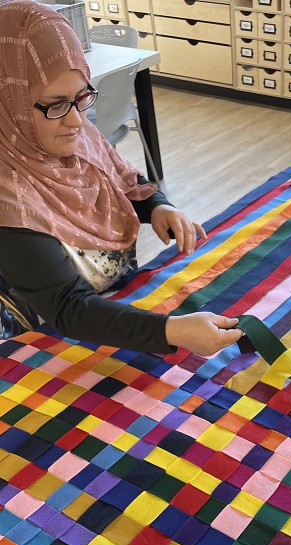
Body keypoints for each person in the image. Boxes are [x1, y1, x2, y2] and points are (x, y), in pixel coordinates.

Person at [0, 0, 243, 355]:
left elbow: (119, 179)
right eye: (55, 105)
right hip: (43, 345)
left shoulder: (67, 131)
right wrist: (170, 331)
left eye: (82, 97)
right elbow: (67, 307)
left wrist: (156, 206)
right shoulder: (9, 199)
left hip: (111, 312)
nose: (77, 121)